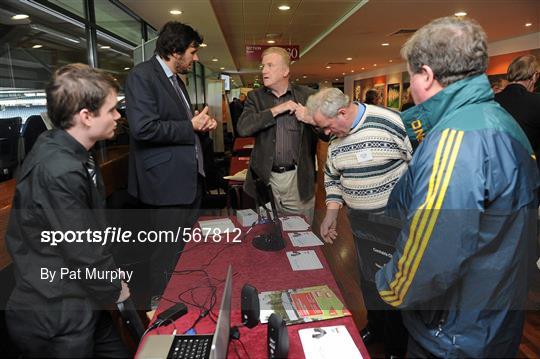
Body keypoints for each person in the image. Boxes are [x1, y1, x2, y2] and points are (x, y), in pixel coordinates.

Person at [375, 16, 539, 358]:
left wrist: (386, 285)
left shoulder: (456, 139)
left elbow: (430, 259)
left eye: (411, 77)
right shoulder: (497, 120)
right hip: (491, 318)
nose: (409, 89)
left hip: (452, 332)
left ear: (427, 75)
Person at [5, 63, 130, 357]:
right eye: (111, 109)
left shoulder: (67, 150)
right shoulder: (58, 169)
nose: (118, 116)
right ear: (86, 116)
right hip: (54, 313)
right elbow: (80, 246)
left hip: (80, 297)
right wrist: (114, 285)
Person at [306, 87, 412, 357]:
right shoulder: (336, 139)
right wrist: (331, 212)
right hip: (360, 222)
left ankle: (396, 346)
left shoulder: (391, 122)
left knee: (395, 285)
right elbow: (331, 175)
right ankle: (376, 328)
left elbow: (421, 164)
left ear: (342, 112)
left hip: (396, 223)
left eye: (327, 127)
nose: (326, 134)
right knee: (368, 280)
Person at [125, 21, 217, 303]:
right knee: (165, 251)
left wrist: (200, 126)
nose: (196, 57)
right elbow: (143, 129)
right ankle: (161, 305)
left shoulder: (176, 80)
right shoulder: (142, 76)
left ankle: (184, 301)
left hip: (188, 180)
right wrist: (190, 126)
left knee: (184, 249)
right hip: (164, 185)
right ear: (175, 51)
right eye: (192, 51)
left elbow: (181, 125)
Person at [236, 47, 325, 223]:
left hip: (297, 180)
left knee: (300, 233)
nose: (264, 70)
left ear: (285, 71)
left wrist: (311, 119)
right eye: (263, 66)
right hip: (265, 180)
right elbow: (243, 128)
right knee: (268, 233)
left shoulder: (308, 96)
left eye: (270, 65)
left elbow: (327, 134)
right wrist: (277, 110)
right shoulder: (255, 98)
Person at [495, 54, 540, 170]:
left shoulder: (491, 101)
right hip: (530, 172)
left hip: (498, 169)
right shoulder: (536, 101)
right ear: (534, 76)